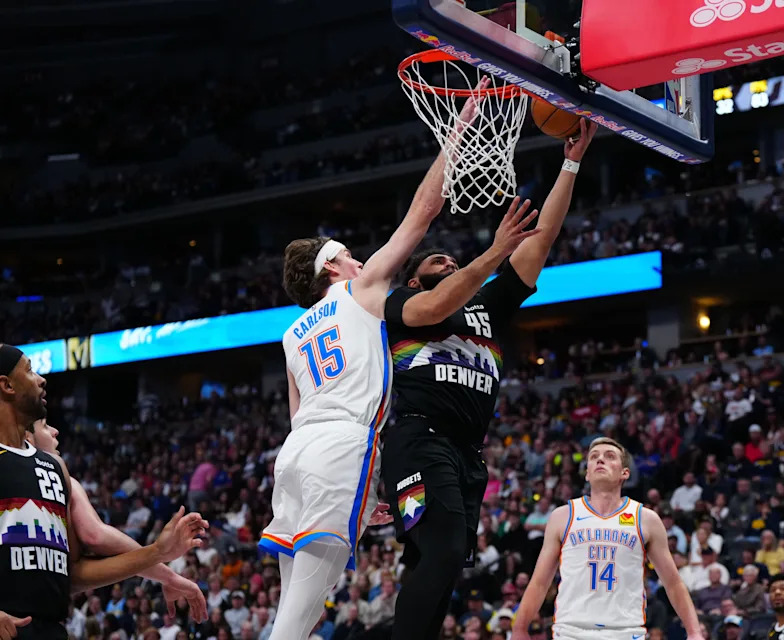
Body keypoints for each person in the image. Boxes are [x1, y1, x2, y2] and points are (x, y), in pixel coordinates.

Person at [257, 88, 542, 640]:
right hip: (342, 444)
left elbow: (297, 419)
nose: (357, 257)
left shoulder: (292, 334)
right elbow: (424, 211)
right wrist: (454, 135)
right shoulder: (360, 289)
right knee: (301, 607)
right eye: (345, 253)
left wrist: (368, 495)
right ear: (332, 269)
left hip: (294, 456)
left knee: (297, 598)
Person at [381, 119, 598, 640]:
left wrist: (570, 163)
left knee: (442, 562)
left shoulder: (486, 307)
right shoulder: (403, 303)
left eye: (454, 258)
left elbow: (540, 241)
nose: (449, 260)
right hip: (417, 440)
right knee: (447, 546)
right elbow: (441, 301)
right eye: (439, 259)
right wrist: (493, 251)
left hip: (467, 453)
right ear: (415, 276)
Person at [0, 343, 207, 640]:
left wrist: (157, 552)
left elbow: (72, 574)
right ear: (6, 385)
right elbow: (95, 533)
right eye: (30, 370)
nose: (41, 379)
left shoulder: (55, 469)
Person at [510, 437, 706, 640]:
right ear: (586, 473)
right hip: (571, 631)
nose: (600, 460)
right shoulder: (563, 516)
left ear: (625, 473)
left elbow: (673, 582)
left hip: (625, 631)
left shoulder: (645, 518)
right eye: (594, 457)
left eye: (609, 456)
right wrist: (519, 628)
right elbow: (540, 582)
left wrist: (694, 632)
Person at [24, 418, 208, 623]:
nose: (56, 431)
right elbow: (95, 536)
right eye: (45, 426)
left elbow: (75, 573)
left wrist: (166, 571)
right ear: (27, 437)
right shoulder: (58, 478)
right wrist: (167, 572)